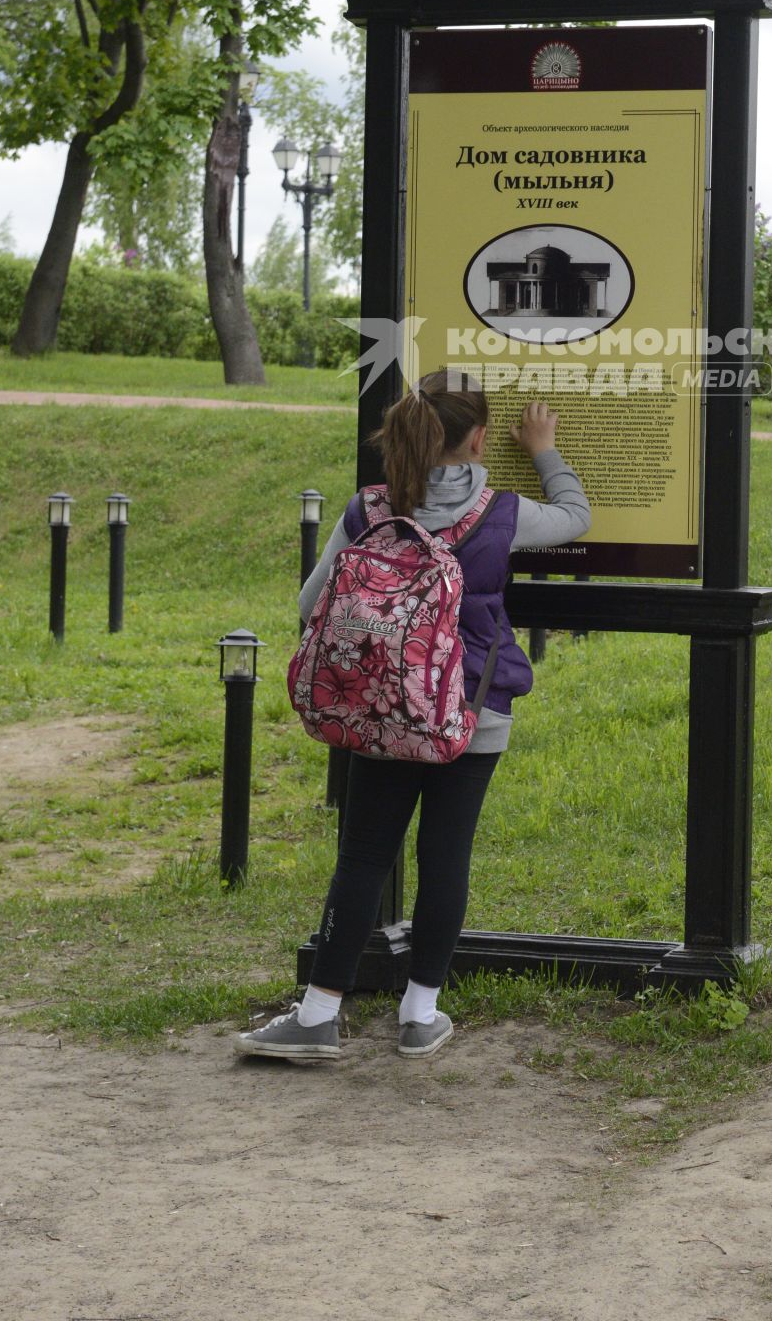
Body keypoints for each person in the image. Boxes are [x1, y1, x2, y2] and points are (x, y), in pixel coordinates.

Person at [235, 369, 589, 1064]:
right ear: (481, 437)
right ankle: (421, 1015)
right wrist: (544, 448)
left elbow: (311, 603)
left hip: (381, 716)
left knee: (363, 857)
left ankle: (318, 1016)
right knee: (445, 857)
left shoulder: (369, 510)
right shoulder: (502, 513)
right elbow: (577, 515)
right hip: (471, 715)